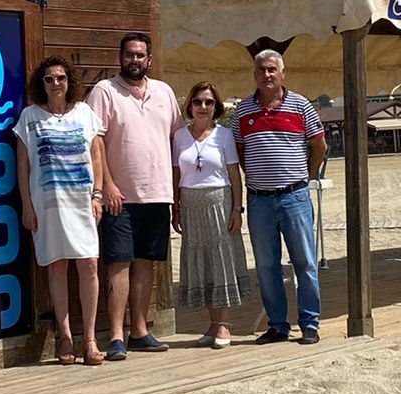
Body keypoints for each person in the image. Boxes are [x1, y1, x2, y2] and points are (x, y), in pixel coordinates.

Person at [90, 32, 183, 360]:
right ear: (120, 57)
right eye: (129, 55)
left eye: (140, 56)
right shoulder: (105, 91)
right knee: (118, 265)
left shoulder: (165, 92)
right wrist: (108, 186)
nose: (134, 61)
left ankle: (140, 331)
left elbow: (176, 140)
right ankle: (116, 336)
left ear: (150, 60)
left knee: (146, 265)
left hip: (158, 194)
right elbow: (94, 142)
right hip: (120, 199)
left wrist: (177, 193)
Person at [13, 56, 109, 365]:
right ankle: (65, 336)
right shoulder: (30, 117)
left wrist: (98, 196)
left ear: (70, 81)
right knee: (56, 266)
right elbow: (23, 165)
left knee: (89, 265)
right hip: (48, 206)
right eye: (49, 79)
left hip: (82, 203)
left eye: (61, 78)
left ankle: (90, 338)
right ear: (41, 84)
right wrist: (27, 206)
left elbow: (97, 157)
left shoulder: (84, 113)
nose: (56, 83)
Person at [233, 50, 327, 344]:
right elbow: (240, 153)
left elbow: (320, 146)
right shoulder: (242, 111)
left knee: (305, 262)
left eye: (272, 69)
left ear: (282, 73)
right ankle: (277, 325)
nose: (267, 74)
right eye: (261, 70)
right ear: (255, 75)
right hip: (259, 200)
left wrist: (305, 178)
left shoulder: (301, 106)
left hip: (294, 197)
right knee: (265, 265)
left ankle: (310, 323)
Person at [171, 81, 247, 349]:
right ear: (189, 105)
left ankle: (224, 325)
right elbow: (176, 175)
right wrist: (176, 207)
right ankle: (213, 325)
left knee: (221, 260)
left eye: (208, 102)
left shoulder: (223, 135)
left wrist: (237, 208)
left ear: (216, 107)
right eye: (198, 101)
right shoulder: (180, 136)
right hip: (191, 205)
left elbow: (234, 175)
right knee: (201, 260)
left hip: (219, 200)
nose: (203, 107)